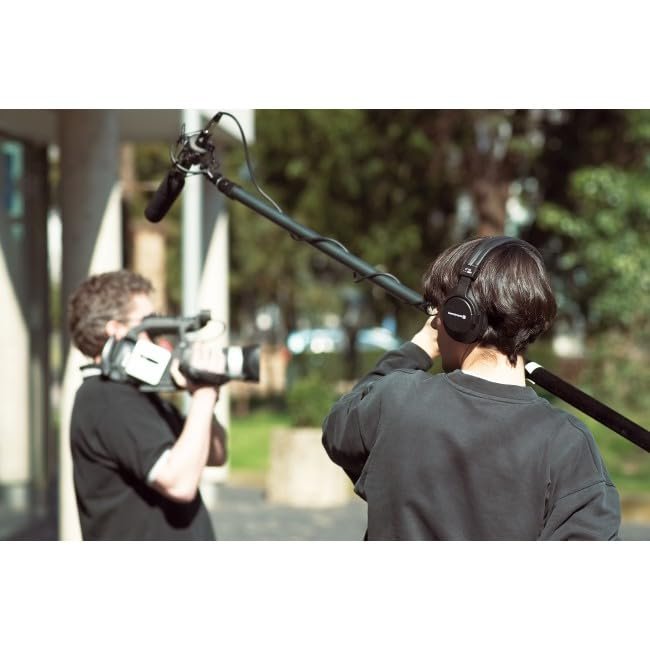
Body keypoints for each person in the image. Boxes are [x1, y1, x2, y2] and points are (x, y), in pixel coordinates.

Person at [322, 236, 621, 540]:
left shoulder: (395, 400)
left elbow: (337, 430)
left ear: (458, 316)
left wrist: (418, 347)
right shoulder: (567, 442)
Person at [67, 270, 227, 540]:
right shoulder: (106, 398)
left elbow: (216, 455)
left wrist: (204, 391)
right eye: (150, 326)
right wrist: (204, 395)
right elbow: (179, 483)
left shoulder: (136, 395)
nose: (158, 338)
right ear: (116, 330)